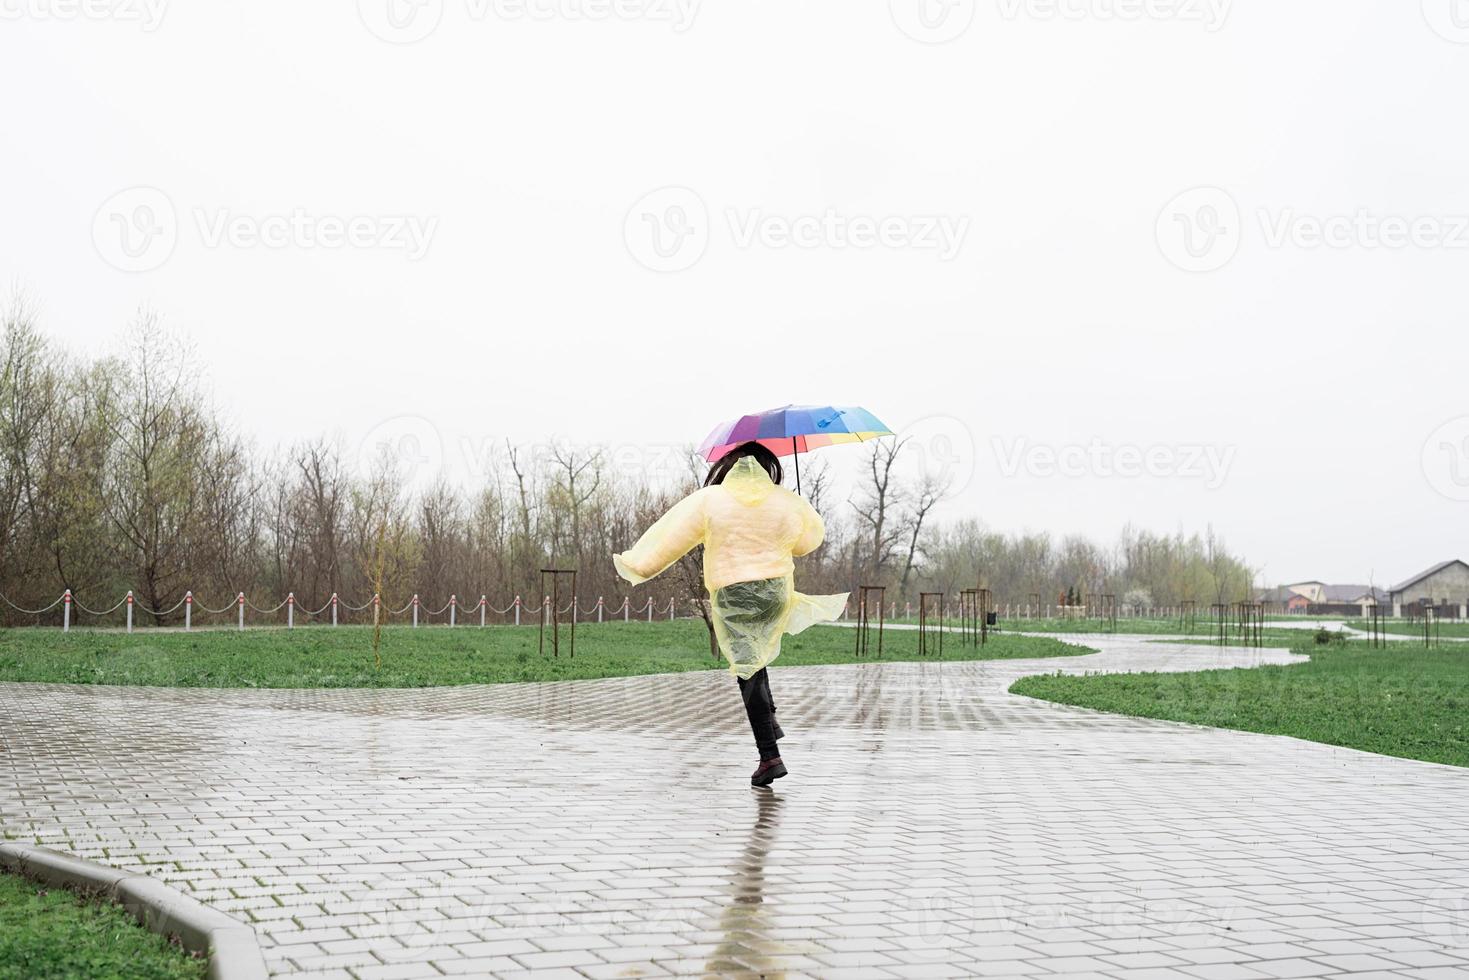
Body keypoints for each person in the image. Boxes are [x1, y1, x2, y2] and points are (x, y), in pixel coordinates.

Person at [613, 441, 848, 786]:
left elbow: (672, 539)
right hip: (774, 591)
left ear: (729, 466)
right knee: (756, 652)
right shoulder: (784, 500)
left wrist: (638, 566)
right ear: (768, 466)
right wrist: (797, 507)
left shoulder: (711, 500)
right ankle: (770, 719)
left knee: (746, 666)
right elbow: (808, 541)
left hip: (733, 591)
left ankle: (769, 756)